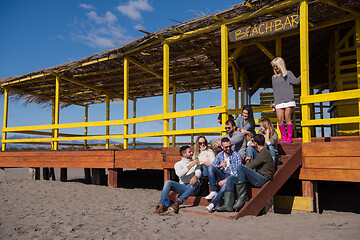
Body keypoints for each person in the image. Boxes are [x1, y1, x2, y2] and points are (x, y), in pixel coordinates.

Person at [216, 134, 274, 212]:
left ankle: (241, 197)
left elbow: (249, 166)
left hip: (263, 179)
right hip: (259, 177)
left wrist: (247, 160)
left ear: (255, 143)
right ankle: (228, 204)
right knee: (231, 178)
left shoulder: (264, 153)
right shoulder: (263, 152)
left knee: (240, 167)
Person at [154, 146, 201, 214]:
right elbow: (180, 174)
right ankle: (161, 205)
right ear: (184, 154)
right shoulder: (178, 164)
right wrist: (191, 165)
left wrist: (196, 176)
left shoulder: (195, 162)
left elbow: (199, 172)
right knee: (168, 182)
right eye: (189, 152)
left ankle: (178, 202)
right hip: (183, 186)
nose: (192, 153)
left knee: (195, 182)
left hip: (194, 187)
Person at [204, 138, 242, 213]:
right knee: (211, 167)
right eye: (226, 147)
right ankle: (213, 190)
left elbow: (237, 173)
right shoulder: (220, 155)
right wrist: (220, 165)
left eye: (229, 146)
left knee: (225, 184)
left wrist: (225, 180)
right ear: (221, 147)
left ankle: (213, 204)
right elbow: (213, 166)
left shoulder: (236, 155)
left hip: (232, 177)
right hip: (223, 175)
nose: (228, 148)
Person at [270, 57, 301, 143]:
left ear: (281, 65)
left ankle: (289, 138)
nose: (275, 68)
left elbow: (296, 81)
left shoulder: (288, 74)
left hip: (288, 100)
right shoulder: (273, 78)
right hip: (279, 101)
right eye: (274, 67)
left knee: (287, 117)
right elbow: (275, 90)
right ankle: (284, 138)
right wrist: (274, 102)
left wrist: (305, 72)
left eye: (277, 66)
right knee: (280, 119)